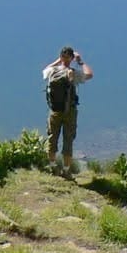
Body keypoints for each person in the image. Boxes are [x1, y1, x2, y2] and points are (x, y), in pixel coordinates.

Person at [41, 45, 93, 174]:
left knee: (52, 137)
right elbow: (89, 75)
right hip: (69, 111)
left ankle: (52, 166)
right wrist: (80, 61)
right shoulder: (73, 73)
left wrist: (58, 61)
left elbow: (45, 70)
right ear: (71, 58)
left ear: (61, 57)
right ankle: (66, 170)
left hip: (54, 110)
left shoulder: (52, 71)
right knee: (68, 139)